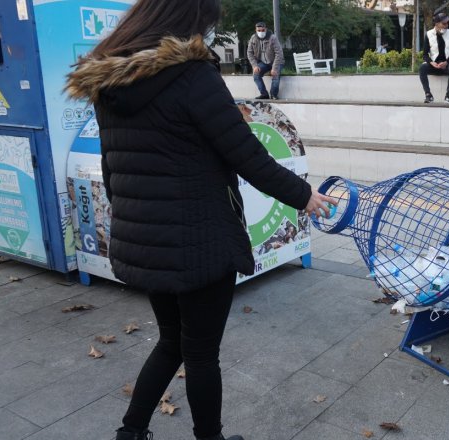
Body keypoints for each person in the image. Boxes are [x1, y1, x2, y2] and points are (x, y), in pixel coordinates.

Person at [65, 2, 336, 440]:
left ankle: (130, 432)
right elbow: (246, 154)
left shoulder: (111, 81)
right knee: (201, 355)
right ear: (190, 20)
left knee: (171, 341)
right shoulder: (193, 76)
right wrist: (304, 195)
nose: (208, 32)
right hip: (201, 241)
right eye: (209, 22)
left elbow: (112, 169)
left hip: (146, 238)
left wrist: (136, 222)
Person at [419, 12, 449, 104]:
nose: (446, 25)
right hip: (434, 65)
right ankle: (428, 95)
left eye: (447, 23)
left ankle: (448, 96)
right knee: (422, 68)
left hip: (447, 65)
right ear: (437, 24)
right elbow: (424, 54)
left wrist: (446, 63)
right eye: (444, 23)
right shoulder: (428, 34)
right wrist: (431, 62)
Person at [247, 21, 284, 100]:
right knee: (256, 75)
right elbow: (249, 53)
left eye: (263, 30)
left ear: (266, 29)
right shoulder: (253, 38)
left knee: (275, 76)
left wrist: (274, 68)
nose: (261, 32)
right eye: (259, 30)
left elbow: (279, 53)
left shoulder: (272, 38)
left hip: (276, 62)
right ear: (256, 30)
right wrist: (254, 66)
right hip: (263, 63)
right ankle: (264, 94)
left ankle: (273, 95)